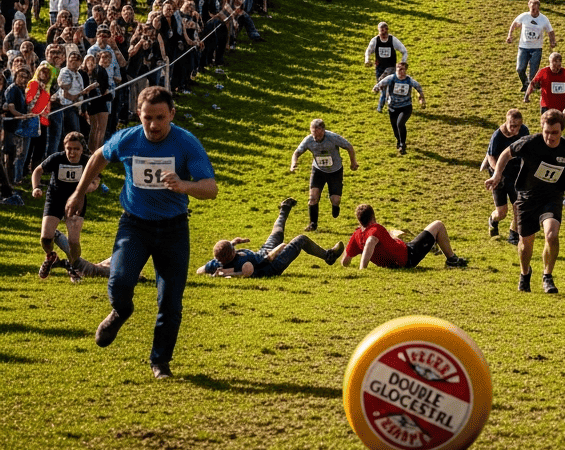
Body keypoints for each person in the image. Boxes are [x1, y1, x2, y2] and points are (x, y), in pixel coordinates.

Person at [64, 86, 218, 379]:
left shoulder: (186, 144)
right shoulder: (128, 138)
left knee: (170, 300)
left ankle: (160, 362)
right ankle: (121, 312)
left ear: (172, 114)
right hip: (134, 225)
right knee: (119, 282)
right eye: (148, 117)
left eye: (160, 117)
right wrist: (79, 192)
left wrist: (186, 186)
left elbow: (210, 188)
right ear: (139, 114)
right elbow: (98, 155)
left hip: (174, 229)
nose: (154, 125)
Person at [485, 107, 565, 294]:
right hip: (527, 197)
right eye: (547, 132)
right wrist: (497, 175)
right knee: (526, 243)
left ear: (562, 130)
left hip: (552, 197)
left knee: (551, 235)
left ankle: (547, 276)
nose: (550, 137)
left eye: (555, 133)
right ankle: (525, 274)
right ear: (542, 128)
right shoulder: (530, 143)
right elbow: (505, 154)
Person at [196, 197, 343, 278]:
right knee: (300, 239)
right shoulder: (243, 262)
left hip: (262, 252)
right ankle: (328, 256)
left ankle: (284, 209)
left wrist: (215, 275)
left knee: (276, 234)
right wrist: (280, 247)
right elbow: (269, 259)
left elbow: (199, 271)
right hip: (271, 265)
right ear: (232, 254)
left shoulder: (216, 263)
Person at [30, 131, 96, 278]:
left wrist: (90, 187)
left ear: (82, 149)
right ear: (64, 147)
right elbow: (38, 170)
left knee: (73, 242)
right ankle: (52, 257)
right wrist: (36, 187)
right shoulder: (57, 158)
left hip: (76, 201)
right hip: (55, 198)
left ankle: (73, 266)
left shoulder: (87, 161)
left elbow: (96, 180)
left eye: (76, 149)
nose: (72, 152)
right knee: (46, 238)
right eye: (69, 149)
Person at [342, 203, 469, 270]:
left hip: (401, 252)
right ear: (373, 217)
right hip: (408, 256)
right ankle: (452, 260)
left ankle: (434, 247)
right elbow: (370, 241)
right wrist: (362, 268)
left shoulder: (357, 235)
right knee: (438, 225)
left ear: (359, 221)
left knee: (396, 236)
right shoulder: (376, 229)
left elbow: (345, 261)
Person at [288, 118, 359, 231]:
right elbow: (297, 152)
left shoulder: (332, 137)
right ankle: (313, 224)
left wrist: (353, 162)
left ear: (323, 130)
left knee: (335, 200)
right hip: (318, 171)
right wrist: (294, 163)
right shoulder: (309, 140)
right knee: (312, 198)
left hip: (335, 171)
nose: (316, 138)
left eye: (319, 136)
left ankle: (335, 206)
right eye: (314, 135)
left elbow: (349, 146)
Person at [485, 108, 530, 244]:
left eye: (517, 126)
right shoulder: (498, 136)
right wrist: (497, 174)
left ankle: (513, 234)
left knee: (518, 205)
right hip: (500, 176)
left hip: (516, 174)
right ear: (506, 122)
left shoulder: (524, 131)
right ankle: (493, 220)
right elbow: (491, 157)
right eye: (512, 125)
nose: (514, 129)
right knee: (502, 212)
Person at [372, 60, 425, 155]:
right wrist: (376, 89)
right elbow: (381, 83)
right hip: (392, 107)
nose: (401, 71)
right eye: (399, 69)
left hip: (406, 107)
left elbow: (418, 87)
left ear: (406, 70)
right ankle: (399, 141)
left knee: (400, 124)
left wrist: (421, 98)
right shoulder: (391, 78)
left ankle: (402, 144)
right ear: (396, 69)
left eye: (403, 69)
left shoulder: (409, 80)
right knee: (395, 128)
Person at [507, 0, 555, 91]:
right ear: (529, 7)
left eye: (536, 9)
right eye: (532, 9)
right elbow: (514, 24)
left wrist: (552, 41)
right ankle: (526, 84)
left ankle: (531, 86)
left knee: (533, 73)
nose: (534, 11)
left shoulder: (543, 19)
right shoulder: (524, 16)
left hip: (536, 48)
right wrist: (510, 35)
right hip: (523, 47)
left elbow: (550, 31)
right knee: (520, 69)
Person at [364, 22, 408, 113]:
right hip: (380, 68)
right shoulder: (375, 40)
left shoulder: (393, 40)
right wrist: (367, 60)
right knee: (383, 88)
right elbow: (368, 51)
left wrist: (403, 62)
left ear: (387, 30)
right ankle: (386, 105)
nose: (383, 35)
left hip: (391, 68)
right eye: (381, 32)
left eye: (385, 33)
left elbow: (404, 50)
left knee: (389, 88)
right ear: (378, 31)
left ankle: (382, 107)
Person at [525, 52, 565, 116]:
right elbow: (533, 84)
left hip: (562, 107)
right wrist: (527, 95)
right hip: (546, 107)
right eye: (554, 66)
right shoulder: (543, 72)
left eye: (558, 66)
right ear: (550, 63)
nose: (556, 69)